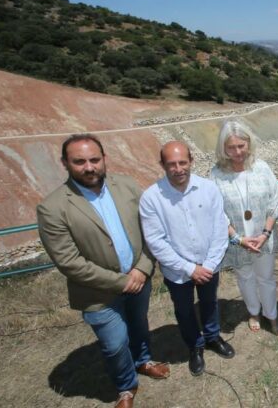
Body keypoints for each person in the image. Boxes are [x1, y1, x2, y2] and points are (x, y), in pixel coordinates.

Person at [37, 134, 169, 408]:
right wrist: (122, 282)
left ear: (104, 159)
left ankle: (143, 360)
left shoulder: (127, 186)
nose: (89, 167)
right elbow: (69, 262)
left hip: (139, 278)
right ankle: (125, 385)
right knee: (114, 343)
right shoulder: (53, 208)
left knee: (139, 325)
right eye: (79, 161)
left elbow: (150, 230)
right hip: (97, 293)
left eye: (94, 159)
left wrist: (143, 269)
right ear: (65, 163)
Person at [139, 141, 234, 377]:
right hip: (177, 271)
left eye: (183, 162)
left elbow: (220, 228)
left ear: (191, 161)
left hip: (209, 264)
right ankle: (195, 346)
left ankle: (212, 337)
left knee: (209, 302)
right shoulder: (151, 198)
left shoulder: (208, 189)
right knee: (184, 310)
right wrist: (190, 268)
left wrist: (209, 265)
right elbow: (156, 241)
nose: (178, 168)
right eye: (171, 164)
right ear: (162, 165)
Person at [210, 121, 278, 334]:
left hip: (263, 239)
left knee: (266, 278)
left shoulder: (262, 168)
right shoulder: (215, 175)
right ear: (223, 148)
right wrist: (238, 239)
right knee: (245, 277)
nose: (237, 152)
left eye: (241, 145)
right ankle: (253, 311)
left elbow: (274, 202)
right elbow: (216, 212)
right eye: (231, 147)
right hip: (237, 241)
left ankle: (272, 314)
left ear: (249, 144)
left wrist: (265, 234)